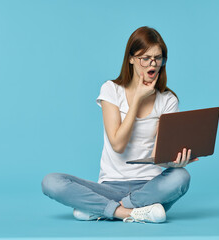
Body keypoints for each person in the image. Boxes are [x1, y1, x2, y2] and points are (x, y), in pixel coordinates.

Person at [41, 26, 199, 224]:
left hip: (149, 187)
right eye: (146, 57)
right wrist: (137, 102)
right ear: (131, 58)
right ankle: (130, 212)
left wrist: (174, 161)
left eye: (158, 58)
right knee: (52, 182)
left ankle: (101, 209)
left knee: (181, 177)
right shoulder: (111, 90)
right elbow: (118, 144)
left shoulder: (167, 100)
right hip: (109, 186)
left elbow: (159, 158)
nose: (153, 63)